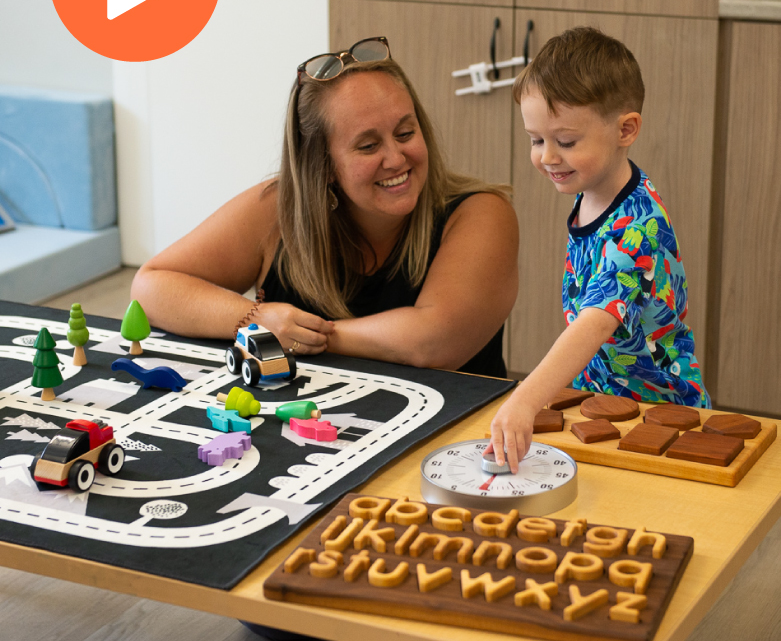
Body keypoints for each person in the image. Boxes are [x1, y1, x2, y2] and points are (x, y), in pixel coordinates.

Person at [131, 37, 518, 378]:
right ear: (323, 166)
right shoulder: (277, 207)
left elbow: (433, 342)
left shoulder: (482, 213)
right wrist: (256, 319)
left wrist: (297, 335)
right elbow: (151, 286)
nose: (397, 158)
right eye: (368, 146)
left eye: (405, 133)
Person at [489, 26, 710, 472]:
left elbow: (594, 323)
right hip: (606, 401)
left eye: (566, 142)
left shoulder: (637, 226)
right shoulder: (591, 185)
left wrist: (526, 397)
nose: (548, 157)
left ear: (625, 129)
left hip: (659, 410)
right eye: (537, 140)